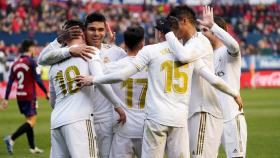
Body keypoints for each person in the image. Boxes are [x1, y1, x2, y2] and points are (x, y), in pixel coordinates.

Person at [75, 17, 242, 158]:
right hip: (179, 120)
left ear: (160, 32)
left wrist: (94, 79)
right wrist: (234, 93)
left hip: (153, 120)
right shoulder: (189, 55)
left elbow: (121, 74)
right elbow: (212, 79)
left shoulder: (150, 52)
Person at [38, 13, 127, 158]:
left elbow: (52, 100)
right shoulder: (89, 52)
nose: (97, 34)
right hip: (82, 119)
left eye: (100, 30)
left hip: (63, 119)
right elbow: (101, 80)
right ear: (84, 32)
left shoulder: (54, 62)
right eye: (92, 29)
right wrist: (119, 107)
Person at [164, 5, 243, 158]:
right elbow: (206, 74)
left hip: (204, 110)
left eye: (173, 26)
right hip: (192, 111)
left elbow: (186, 58)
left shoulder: (198, 42)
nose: (172, 30)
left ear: (184, 21)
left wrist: (234, 93)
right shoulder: (190, 46)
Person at [197, 6, 247, 158]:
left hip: (231, 117)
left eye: (205, 30)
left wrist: (214, 26)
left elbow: (234, 45)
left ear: (216, 31)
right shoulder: (204, 56)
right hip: (212, 119)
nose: (201, 34)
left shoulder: (228, 53)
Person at [2, 39, 49, 154]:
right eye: (34, 47)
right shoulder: (31, 62)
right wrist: (46, 92)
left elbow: (9, 82)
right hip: (29, 95)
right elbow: (38, 79)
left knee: (29, 121)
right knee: (32, 121)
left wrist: (6, 98)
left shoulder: (16, 63)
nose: (35, 50)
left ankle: (32, 148)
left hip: (20, 95)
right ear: (30, 48)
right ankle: (11, 138)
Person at [107, 26, 147, 158]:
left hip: (123, 127)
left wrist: (109, 46)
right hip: (146, 127)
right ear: (142, 44)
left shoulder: (113, 67)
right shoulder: (152, 67)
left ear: (124, 43)